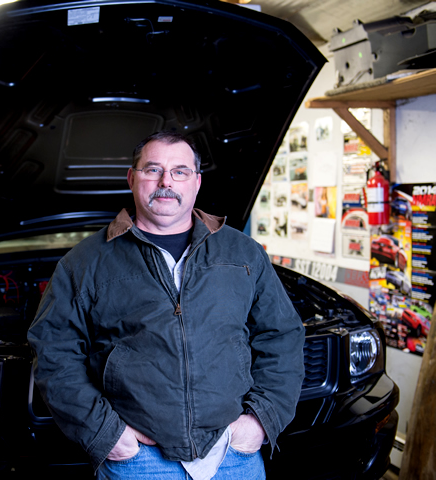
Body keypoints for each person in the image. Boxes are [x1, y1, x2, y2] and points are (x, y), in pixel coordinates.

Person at [28, 131, 305, 480]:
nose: (165, 182)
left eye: (180, 171)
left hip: (233, 456)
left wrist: (261, 420)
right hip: (139, 462)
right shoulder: (84, 263)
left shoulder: (242, 252)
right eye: (152, 170)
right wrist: (108, 435)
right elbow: (55, 355)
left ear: (196, 182)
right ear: (131, 178)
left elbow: (281, 336)